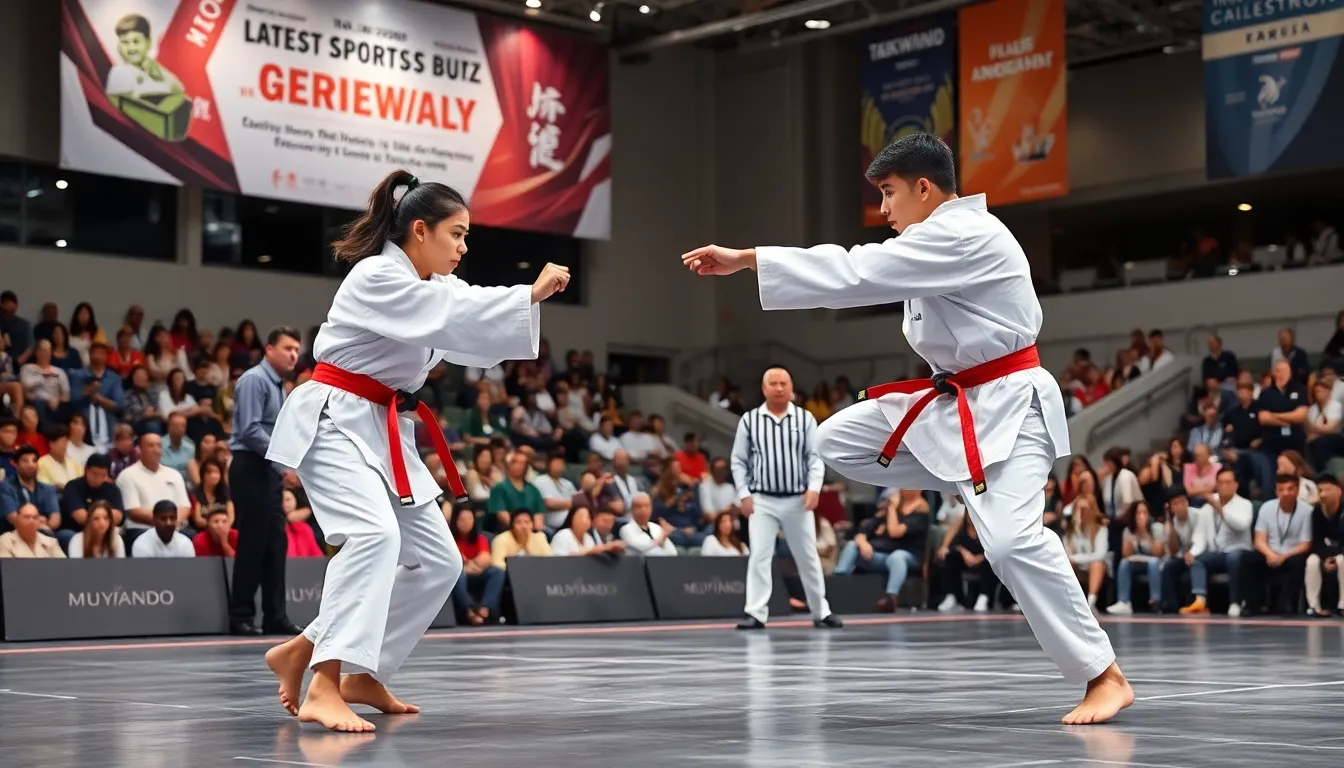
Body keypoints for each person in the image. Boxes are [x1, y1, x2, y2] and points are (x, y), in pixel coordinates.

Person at [682, 133, 1128, 723]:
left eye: (890, 195)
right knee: (834, 438)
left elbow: (855, 272)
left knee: (1011, 543)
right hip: (959, 405)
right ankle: (969, 483)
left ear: (925, 188)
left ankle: (1105, 675)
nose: (885, 211)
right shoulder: (932, 240)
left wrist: (749, 258)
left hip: (1011, 406)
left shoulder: (963, 234)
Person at [261, 170, 568, 733]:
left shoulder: (434, 287)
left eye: (467, 235)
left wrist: (523, 301)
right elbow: (456, 317)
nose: (464, 246)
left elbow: (468, 316)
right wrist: (527, 293)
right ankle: (324, 683)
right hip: (334, 419)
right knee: (373, 536)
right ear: (420, 230)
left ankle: (352, 667)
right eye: (457, 233)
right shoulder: (377, 275)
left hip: (382, 429)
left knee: (439, 562)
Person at [728, 367, 840, 630]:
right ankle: (755, 613)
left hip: (797, 499)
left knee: (808, 556)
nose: (779, 388)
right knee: (759, 556)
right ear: (764, 389)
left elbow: (815, 457)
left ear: (792, 389)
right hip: (762, 499)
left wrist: (814, 488)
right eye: (773, 383)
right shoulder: (749, 420)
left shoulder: (805, 419)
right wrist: (744, 494)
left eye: (783, 383)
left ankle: (820, 611)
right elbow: (738, 460)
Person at [227, 328, 302, 637]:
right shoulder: (254, 380)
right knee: (253, 543)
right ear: (269, 349)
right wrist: (284, 463)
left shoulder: (280, 386)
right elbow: (250, 430)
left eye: (297, 349)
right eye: (287, 348)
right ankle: (240, 615)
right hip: (252, 466)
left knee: (275, 544)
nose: (293, 355)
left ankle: (275, 615)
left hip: (268, 467)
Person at [1305, 475, 1342, 616]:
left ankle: (1342, 605)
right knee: (1312, 561)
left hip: (1341, 554)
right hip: (1326, 553)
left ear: (1339, 491)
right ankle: (1314, 606)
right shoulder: (1316, 513)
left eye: (1328, 490)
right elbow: (1316, 541)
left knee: (1342, 560)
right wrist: (1326, 557)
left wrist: (1334, 556)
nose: (1323, 494)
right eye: (1320, 490)